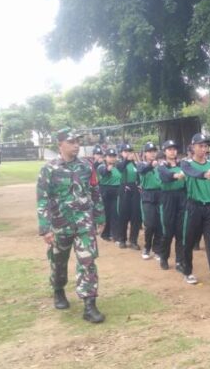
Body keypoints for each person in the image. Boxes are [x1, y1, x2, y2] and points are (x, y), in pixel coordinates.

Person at [36, 128, 106, 323]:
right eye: (71, 142)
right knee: (59, 261)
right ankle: (58, 289)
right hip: (60, 224)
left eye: (78, 142)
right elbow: (42, 199)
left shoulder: (87, 166)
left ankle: (89, 305)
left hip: (84, 223)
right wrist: (45, 228)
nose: (76, 145)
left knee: (88, 260)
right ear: (60, 144)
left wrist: (100, 217)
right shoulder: (49, 169)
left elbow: (95, 191)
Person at [180, 133, 210, 285]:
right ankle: (187, 271)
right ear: (193, 147)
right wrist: (204, 174)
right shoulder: (186, 163)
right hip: (193, 207)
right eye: (200, 146)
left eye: (206, 146)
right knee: (188, 241)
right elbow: (191, 173)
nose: (204, 149)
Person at [157, 140, 187, 271]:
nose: (172, 151)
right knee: (168, 231)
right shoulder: (162, 166)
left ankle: (180, 261)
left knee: (180, 231)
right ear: (164, 152)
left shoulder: (182, 164)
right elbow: (166, 176)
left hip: (181, 196)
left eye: (174, 149)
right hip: (168, 197)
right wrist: (177, 175)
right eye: (169, 149)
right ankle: (164, 257)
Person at [137, 142, 161, 260]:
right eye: (150, 151)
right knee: (150, 224)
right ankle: (147, 247)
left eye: (154, 151)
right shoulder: (141, 164)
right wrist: (151, 165)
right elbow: (142, 170)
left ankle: (157, 249)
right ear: (145, 153)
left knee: (159, 224)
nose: (152, 153)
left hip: (160, 195)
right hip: (148, 195)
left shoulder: (159, 165)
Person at [116, 143, 142, 249]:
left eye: (130, 151)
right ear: (121, 153)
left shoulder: (135, 164)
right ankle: (122, 239)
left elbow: (139, 176)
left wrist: (139, 185)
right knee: (123, 215)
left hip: (134, 189)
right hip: (124, 189)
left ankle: (133, 240)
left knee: (135, 216)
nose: (128, 153)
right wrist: (127, 159)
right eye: (125, 151)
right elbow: (120, 168)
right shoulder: (120, 163)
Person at [97, 148, 121, 242]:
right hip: (105, 191)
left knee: (115, 213)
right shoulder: (101, 166)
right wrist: (107, 169)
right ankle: (105, 233)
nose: (112, 158)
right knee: (106, 213)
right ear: (105, 157)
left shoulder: (117, 167)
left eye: (114, 156)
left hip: (116, 190)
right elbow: (103, 172)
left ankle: (115, 235)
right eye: (110, 156)